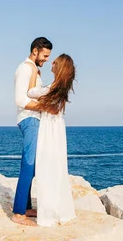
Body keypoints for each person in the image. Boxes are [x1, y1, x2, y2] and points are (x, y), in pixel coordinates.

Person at [27, 53, 77, 227]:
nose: (51, 65)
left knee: (46, 168)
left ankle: (48, 214)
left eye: (54, 63)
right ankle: (60, 210)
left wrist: (34, 73)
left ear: (59, 67)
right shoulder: (61, 87)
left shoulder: (52, 87)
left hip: (49, 129)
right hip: (57, 130)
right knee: (57, 168)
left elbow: (30, 92)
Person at [11, 37, 52, 227]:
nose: (45, 59)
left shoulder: (33, 69)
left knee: (32, 164)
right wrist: (45, 108)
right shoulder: (25, 68)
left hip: (34, 119)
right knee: (29, 164)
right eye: (44, 55)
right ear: (35, 51)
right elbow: (20, 100)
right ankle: (18, 213)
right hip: (29, 119)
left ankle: (26, 207)